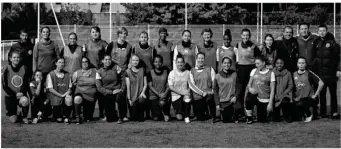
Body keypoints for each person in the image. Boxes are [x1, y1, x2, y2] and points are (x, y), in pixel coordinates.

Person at [315, 24, 340, 119]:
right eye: (320, 30)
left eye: (323, 30)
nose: (322, 32)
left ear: (326, 31)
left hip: (332, 73)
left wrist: (338, 69)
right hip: (321, 73)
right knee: (322, 94)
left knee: (333, 93)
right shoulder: (316, 42)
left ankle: (334, 111)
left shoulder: (333, 43)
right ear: (318, 32)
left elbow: (339, 58)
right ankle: (323, 112)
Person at [235, 28, 261, 120]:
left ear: (249, 36)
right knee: (241, 93)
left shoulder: (254, 46)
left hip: (251, 71)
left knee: (251, 91)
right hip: (241, 71)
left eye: (247, 35)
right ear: (241, 36)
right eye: (244, 35)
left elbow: (258, 59)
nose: (245, 37)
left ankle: (252, 113)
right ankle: (241, 112)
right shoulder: (237, 45)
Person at [244, 56, 275, 124]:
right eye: (255, 64)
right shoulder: (254, 71)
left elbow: (272, 89)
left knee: (262, 120)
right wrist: (250, 88)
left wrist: (270, 103)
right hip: (255, 96)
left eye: (258, 63)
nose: (256, 65)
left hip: (264, 98)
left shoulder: (271, 73)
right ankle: (249, 117)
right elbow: (249, 84)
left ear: (263, 63)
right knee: (249, 98)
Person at [133, 31, 157, 119]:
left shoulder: (152, 49)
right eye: (142, 37)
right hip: (139, 74)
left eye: (145, 37)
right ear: (139, 38)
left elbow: (154, 62)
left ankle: (148, 113)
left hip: (149, 74)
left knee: (148, 93)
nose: (143, 39)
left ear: (148, 39)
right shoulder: (135, 48)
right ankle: (140, 113)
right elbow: (132, 60)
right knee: (140, 93)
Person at [2, 51, 30, 123]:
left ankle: (24, 117)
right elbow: (4, 85)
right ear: (10, 59)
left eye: (17, 57)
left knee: (25, 100)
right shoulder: (7, 69)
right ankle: (17, 115)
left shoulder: (24, 68)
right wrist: (14, 94)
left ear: (20, 59)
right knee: (14, 120)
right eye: (14, 57)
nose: (16, 59)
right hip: (10, 96)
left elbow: (26, 83)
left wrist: (22, 93)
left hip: (20, 95)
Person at [293, 57, 324, 122]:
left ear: (306, 64)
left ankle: (310, 113)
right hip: (298, 99)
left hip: (308, 98)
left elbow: (321, 83)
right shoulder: (293, 74)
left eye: (303, 63)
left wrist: (315, 95)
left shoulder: (309, 73)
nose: (301, 65)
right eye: (299, 63)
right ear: (297, 64)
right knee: (296, 117)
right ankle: (304, 114)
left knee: (304, 102)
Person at [96, 55, 125, 123]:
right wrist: (111, 92)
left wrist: (122, 89)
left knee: (120, 96)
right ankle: (111, 113)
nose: (107, 61)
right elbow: (99, 87)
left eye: (109, 59)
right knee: (110, 119)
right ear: (102, 61)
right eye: (106, 59)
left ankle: (121, 117)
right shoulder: (99, 71)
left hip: (117, 90)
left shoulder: (116, 67)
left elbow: (123, 78)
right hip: (107, 93)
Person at [189, 52, 216, 123]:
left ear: (204, 59)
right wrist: (201, 93)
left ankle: (212, 115)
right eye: (199, 58)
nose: (200, 60)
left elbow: (214, 82)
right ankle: (202, 113)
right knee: (201, 118)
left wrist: (212, 91)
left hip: (208, 95)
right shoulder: (192, 71)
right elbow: (191, 85)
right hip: (198, 96)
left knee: (210, 100)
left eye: (202, 58)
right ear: (196, 59)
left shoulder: (210, 69)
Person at [214, 57, 241, 123]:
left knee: (238, 107)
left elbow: (239, 87)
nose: (227, 65)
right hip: (223, 101)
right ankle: (229, 115)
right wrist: (217, 103)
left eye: (228, 63)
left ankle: (235, 115)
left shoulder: (234, 74)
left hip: (232, 100)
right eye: (225, 63)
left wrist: (235, 96)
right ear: (222, 64)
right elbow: (215, 91)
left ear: (231, 64)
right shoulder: (217, 76)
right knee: (226, 120)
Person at [46, 57, 72, 123]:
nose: (61, 64)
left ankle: (66, 116)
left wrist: (64, 95)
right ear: (56, 63)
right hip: (55, 95)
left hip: (64, 94)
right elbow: (50, 89)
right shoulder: (51, 74)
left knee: (69, 99)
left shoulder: (67, 74)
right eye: (59, 62)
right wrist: (60, 95)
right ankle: (57, 116)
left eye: (63, 63)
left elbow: (70, 88)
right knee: (58, 119)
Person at [72, 57, 98, 124]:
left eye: (86, 61)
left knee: (88, 119)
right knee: (77, 98)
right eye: (83, 62)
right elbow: (74, 84)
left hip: (91, 97)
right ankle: (77, 116)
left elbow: (98, 84)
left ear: (89, 63)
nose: (85, 63)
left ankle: (86, 115)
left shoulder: (95, 72)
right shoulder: (76, 73)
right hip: (80, 94)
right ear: (81, 63)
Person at [168, 55, 192, 123]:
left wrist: (187, 92)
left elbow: (191, 85)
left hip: (185, 95)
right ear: (176, 63)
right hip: (176, 96)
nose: (180, 64)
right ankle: (182, 113)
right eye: (178, 62)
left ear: (184, 63)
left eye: (181, 62)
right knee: (179, 117)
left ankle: (187, 116)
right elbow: (171, 87)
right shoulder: (172, 73)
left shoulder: (188, 72)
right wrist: (182, 93)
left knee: (187, 98)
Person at [147, 55, 171, 121]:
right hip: (154, 96)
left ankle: (165, 113)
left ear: (162, 63)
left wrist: (165, 93)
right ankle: (161, 114)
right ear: (153, 63)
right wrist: (158, 94)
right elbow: (150, 86)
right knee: (156, 118)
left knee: (162, 103)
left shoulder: (166, 72)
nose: (158, 63)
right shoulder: (150, 73)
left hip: (163, 96)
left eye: (159, 62)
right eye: (156, 62)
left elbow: (169, 85)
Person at [125, 54, 148, 122]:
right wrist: (129, 98)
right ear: (131, 61)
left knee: (140, 119)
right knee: (133, 118)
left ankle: (141, 115)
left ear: (139, 61)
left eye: (137, 60)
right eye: (133, 60)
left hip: (140, 95)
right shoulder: (127, 71)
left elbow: (145, 84)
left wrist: (142, 92)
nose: (135, 62)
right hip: (132, 96)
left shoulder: (143, 70)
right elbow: (128, 85)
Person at [272, 58, 293, 123]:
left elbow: (290, 85)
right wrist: (274, 95)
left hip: (284, 95)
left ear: (284, 64)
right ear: (275, 64)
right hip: (274, 95)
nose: (279, 65)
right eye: (277, 63)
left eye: (281, 63)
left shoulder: (288, 73)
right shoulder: (272, 73)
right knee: (276, 119)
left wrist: (283, 94)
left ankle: (286, 116)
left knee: (285, 101)